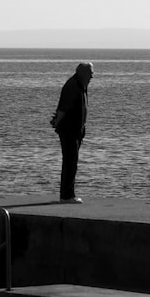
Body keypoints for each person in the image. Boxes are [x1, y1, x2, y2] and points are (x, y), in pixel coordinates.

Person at [50, 62, 94, 203]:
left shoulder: (80, 85)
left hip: (76, 130)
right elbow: (63, 107)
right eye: (90, 73)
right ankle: (67, 196)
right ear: (82, 73)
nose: (92, 76)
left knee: (71, 162)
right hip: (69, 130)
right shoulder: (73, 85)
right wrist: (57, 121)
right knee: (70, 162)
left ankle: (67, 194)